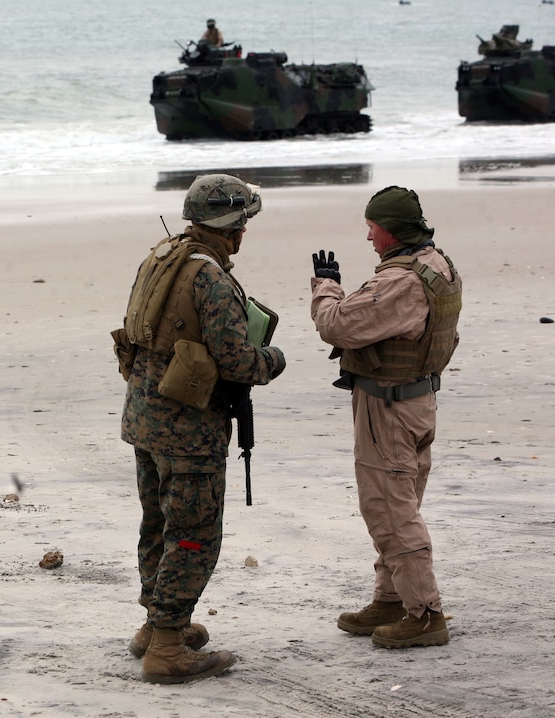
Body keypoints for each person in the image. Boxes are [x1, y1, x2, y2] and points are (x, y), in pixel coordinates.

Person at [114, 174, 286, 683]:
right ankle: (167, 647)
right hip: (189, 431)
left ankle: (158, 623)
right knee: (193, 534)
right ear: (233, 228)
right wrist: (273, 359)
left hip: (145, 417)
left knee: (158, 524)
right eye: (243, 223)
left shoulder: (161, 257)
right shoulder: (210, 277)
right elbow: (236, 360)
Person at [309, 186, 462, 649]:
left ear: (391, 230)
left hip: (389, 409)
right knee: (399, 503)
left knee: (390, 510)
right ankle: (391, 599)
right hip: (415, 401)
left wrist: (325, 286)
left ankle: (425, 613)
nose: (369, 237)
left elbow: (335, 325)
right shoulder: (438, 264)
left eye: (373, 228)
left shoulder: (401, 281)